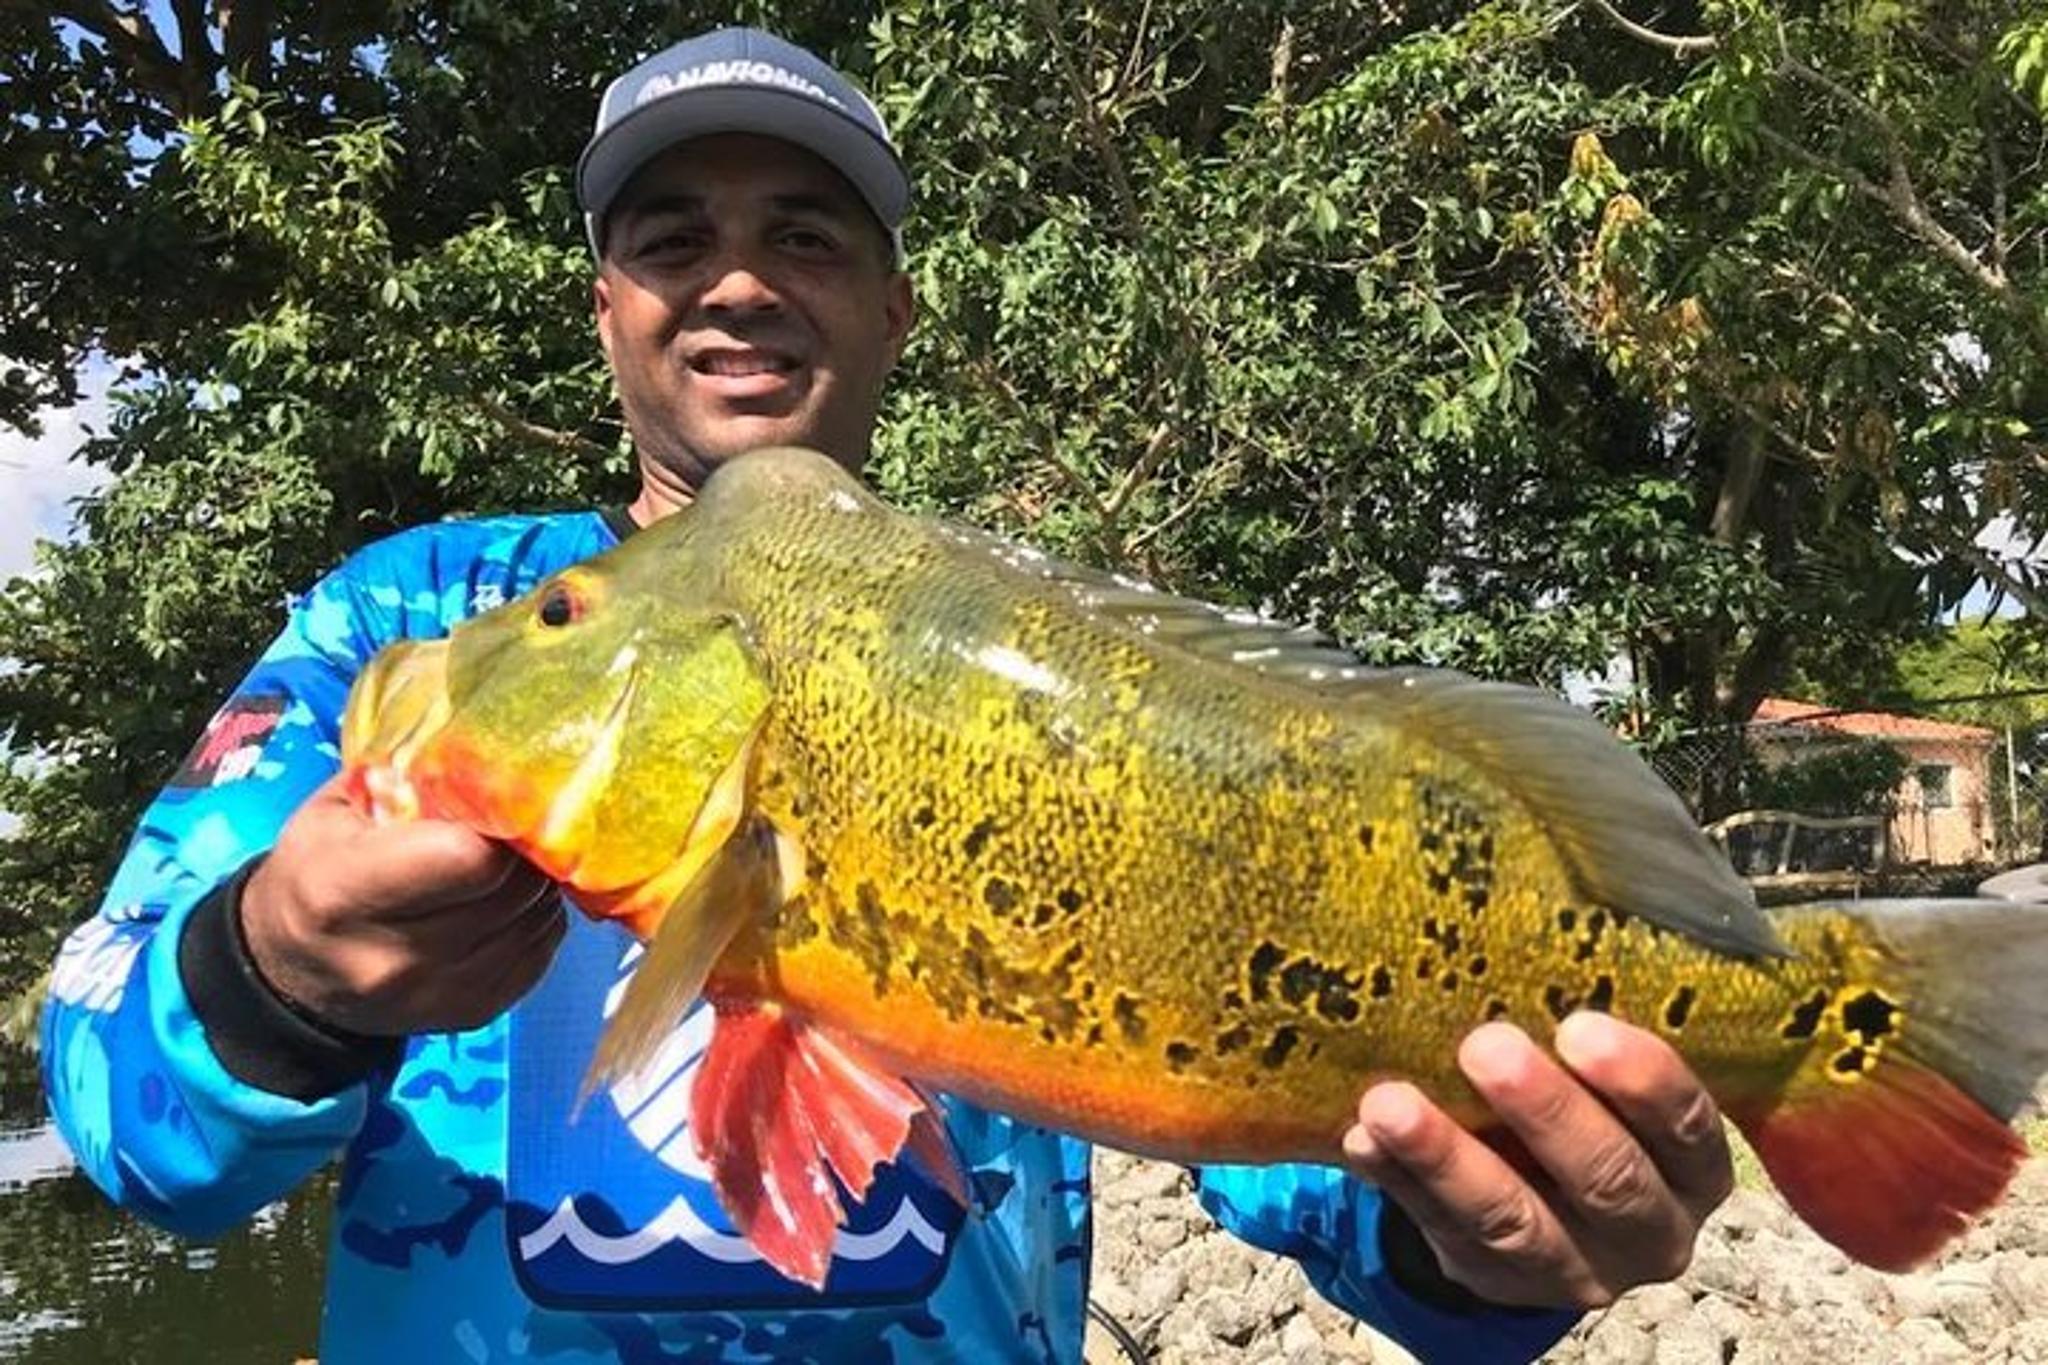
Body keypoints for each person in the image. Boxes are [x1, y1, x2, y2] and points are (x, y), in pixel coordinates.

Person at [41, 26, 1734, 1364]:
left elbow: (1300, 1145)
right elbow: (123, 1114)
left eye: (804, 234)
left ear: (895, 303)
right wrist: (270, 973)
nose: (739, 278)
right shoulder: (409, 617)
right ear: (608, 308)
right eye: (672, 237)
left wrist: (1499, 1240)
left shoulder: (1044, 668)